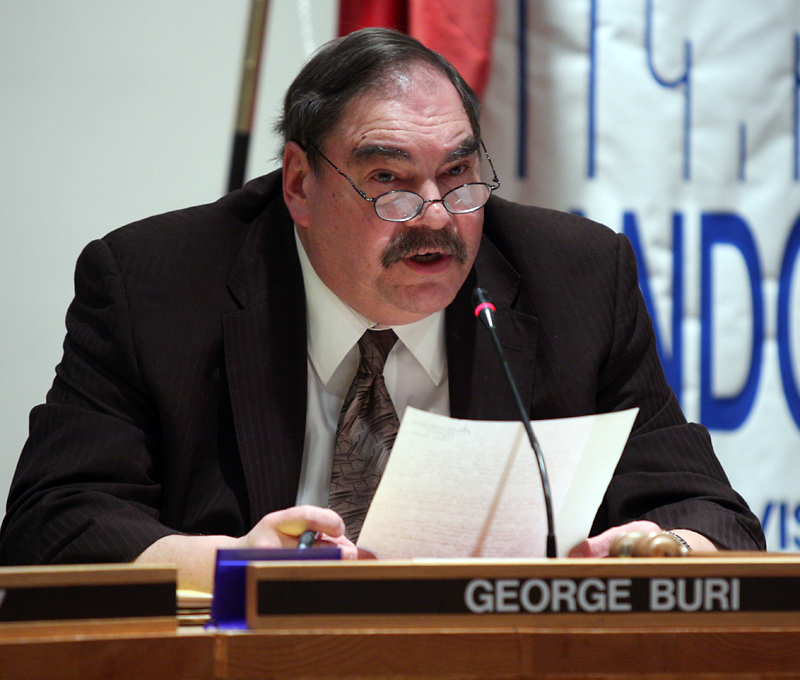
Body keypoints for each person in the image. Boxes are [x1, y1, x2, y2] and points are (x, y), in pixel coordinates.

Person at [0, 28, 764, 591]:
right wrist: (232, 566)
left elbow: (712, 515)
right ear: (299, 184)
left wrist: (657, 552)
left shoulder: (575, 281)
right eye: (389, 181)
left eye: (459, 174)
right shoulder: (158, 288)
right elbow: (54, 522)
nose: (437, 217)